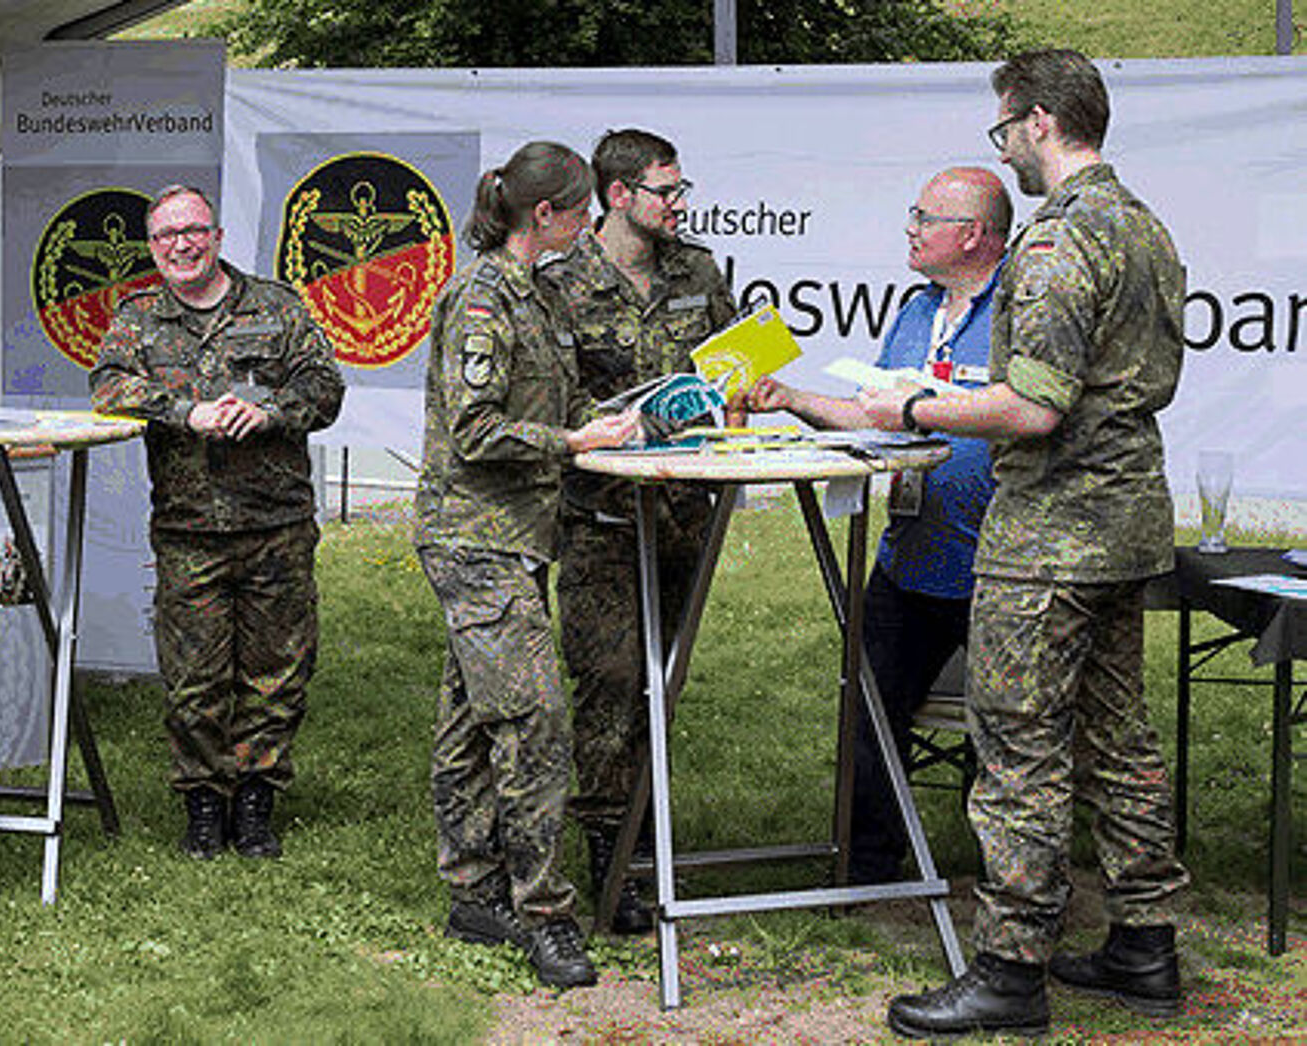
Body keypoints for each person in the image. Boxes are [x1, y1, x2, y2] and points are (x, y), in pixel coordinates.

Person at [865, 50, 1190, 1039]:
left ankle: (1010, 963)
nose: (1001, 146)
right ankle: (1146, 941)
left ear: (1040, 121)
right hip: (1129, 522)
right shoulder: (1145, 228)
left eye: (1002, 129)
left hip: (1049, 536)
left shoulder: (1053, 246)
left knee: (1019, 749)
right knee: (1120, 738)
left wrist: (912, 399)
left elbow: (1033, 409)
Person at [744, 165, 1009, 886]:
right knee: (867, 701)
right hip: (910, 557)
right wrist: (791, 397)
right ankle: (867, 866)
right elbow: (876, 411)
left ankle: (1007, 880)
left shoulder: (1021, 308)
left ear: (974, 233)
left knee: (1009, 733)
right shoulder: (918, 311)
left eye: (925, 218)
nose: (911, 230)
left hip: (1002, 563)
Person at [414, 141, 640, 989]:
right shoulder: (482, 299)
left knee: (473, 714)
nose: (590, 228)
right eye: (583, 213)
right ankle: (544, 912)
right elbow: (476, 431)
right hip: (475, 538)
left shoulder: (536, 294)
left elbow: (554, 399)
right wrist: (571, 443)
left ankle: (473, 889)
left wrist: (611, 423)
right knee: (534, 720)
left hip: (513, 535)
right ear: (542, 216)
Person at [90, 186, 344, 861]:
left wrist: (270, 414)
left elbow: (325, 389)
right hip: (188, 530)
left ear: (218, 236)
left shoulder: (277, 306)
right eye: (166, 235)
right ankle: (204, 803)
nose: (181, 245)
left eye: (193, 231)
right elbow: (109, 386)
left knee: (277, 673)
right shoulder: (139, 316)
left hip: (276, 525)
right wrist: (184, 412)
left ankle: (256, 801)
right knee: (194, 678)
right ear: (152, 246)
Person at [541, 128, 739, 934]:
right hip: (601, 520)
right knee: (612, 682)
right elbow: (545, 399)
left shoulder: (695, 268)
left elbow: (728, 361)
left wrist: (737, 386)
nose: (680, 204)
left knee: (662, 682)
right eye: (666, 190)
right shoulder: (560, 281)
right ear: (619, 195)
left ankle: (646, 834)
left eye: (682, 188)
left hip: (684, 511)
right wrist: (613, 423)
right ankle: (607, 854)